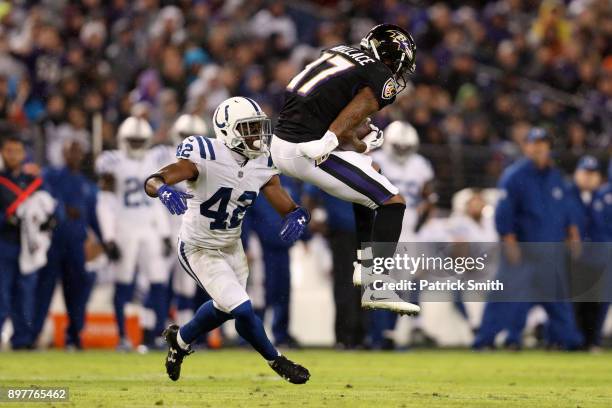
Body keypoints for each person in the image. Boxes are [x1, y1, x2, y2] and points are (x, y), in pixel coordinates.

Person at [144, 97, 310, 384]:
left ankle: (180, 340)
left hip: (232, 247)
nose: (257, 135)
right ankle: (278, 361)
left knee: (227, 308)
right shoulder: (205, 152)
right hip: (199, 246)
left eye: (259, 127)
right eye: (249, 128)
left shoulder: (261, 162)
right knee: (242, 308)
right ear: (227, 130)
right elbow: (155, 179)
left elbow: (285, 203)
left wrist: (298, 215)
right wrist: (162, 190)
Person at [270, 24, 419, 315]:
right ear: (386, 57)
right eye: (396, 64)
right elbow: (363, 102)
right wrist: (332, 138)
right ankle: (377, 283)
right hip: (306, 149)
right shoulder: (377, 73)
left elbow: (320, 106)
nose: (395, 72)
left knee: (371, 171)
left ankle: (366, 265)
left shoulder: (339, 53)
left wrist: (356, 138)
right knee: (392, 201)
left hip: (284, 141)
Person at [474, 128, 583, 350]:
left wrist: (573, 233)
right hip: (522, 248)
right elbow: (504, 212)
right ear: (526, 147)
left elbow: (568, 210)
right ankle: (485, 340)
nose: (538, 147)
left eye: (543, 143)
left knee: (558, 300)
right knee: (505, 296)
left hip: (551, 250)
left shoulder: (556, 176)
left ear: (549, 148)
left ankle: (566, 341)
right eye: (534, 143)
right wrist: (509, 240)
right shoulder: (514, 176)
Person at [95, 116, 173, 350]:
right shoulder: (112, 162)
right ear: (122, 140)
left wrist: (165, 232)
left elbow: (157, 201)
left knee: (159, 281)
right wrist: (109, 236)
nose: (137, 145)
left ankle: (157, 334)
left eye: (141, 140)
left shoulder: (155, 159)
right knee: (124, 283)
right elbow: (105, 200)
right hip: (125, 227)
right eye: (133, 140)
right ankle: (123, 336)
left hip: (150, 227)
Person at [33, 139, 100, 348]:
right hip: (51, 244)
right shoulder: (50, 175)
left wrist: (104, 241)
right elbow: (44, 197)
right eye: (71, 150)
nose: (74, 155)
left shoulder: (87, 185)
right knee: (43, 292)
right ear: (63, 153)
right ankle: (31, 336)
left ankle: (74, 336)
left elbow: (94, 218)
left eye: (78, 151)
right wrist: (62, 209)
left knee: (77, 294)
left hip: (75, 247)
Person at [242, 174, 303, 348]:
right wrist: (245, 243)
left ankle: (281, 334)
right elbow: (246, 214)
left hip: (283, 247)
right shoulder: (255, 177)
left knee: (282, 292)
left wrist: (304, 237)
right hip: (262, 247)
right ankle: (252, 334)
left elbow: (296, 211)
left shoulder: (288, 181)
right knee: (259, 292)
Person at [0, 135, 45, 349]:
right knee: (2, 294)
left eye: (17, 151)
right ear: (2, 153)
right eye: (8, 151)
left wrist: (49, 220)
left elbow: (49, 206)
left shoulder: (33, 182)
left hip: (29, 246)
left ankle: (23, 340)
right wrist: (5, 219)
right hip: (5, 243)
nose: (13, 155)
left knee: (26, 294)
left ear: (23, 154)